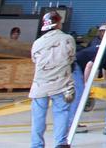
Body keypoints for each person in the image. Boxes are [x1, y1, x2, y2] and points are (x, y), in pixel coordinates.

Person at [30, 11, 75, 148]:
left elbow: (34, 60)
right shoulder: (67, 39)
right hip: (61, 85)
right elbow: (71, 58)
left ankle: (37, 145)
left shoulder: (37, 43)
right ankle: (60, 143)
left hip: (40, 85)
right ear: (59, 23)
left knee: (38, 117)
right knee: (61, 113)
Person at [72, 30, 103, 132]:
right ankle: (72, 125)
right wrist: (86, 83)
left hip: (77, 65)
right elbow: (89, 66)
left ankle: (73, 122)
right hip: (75, 65)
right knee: (80, 94)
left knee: (78, 94)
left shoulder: (105, 47)